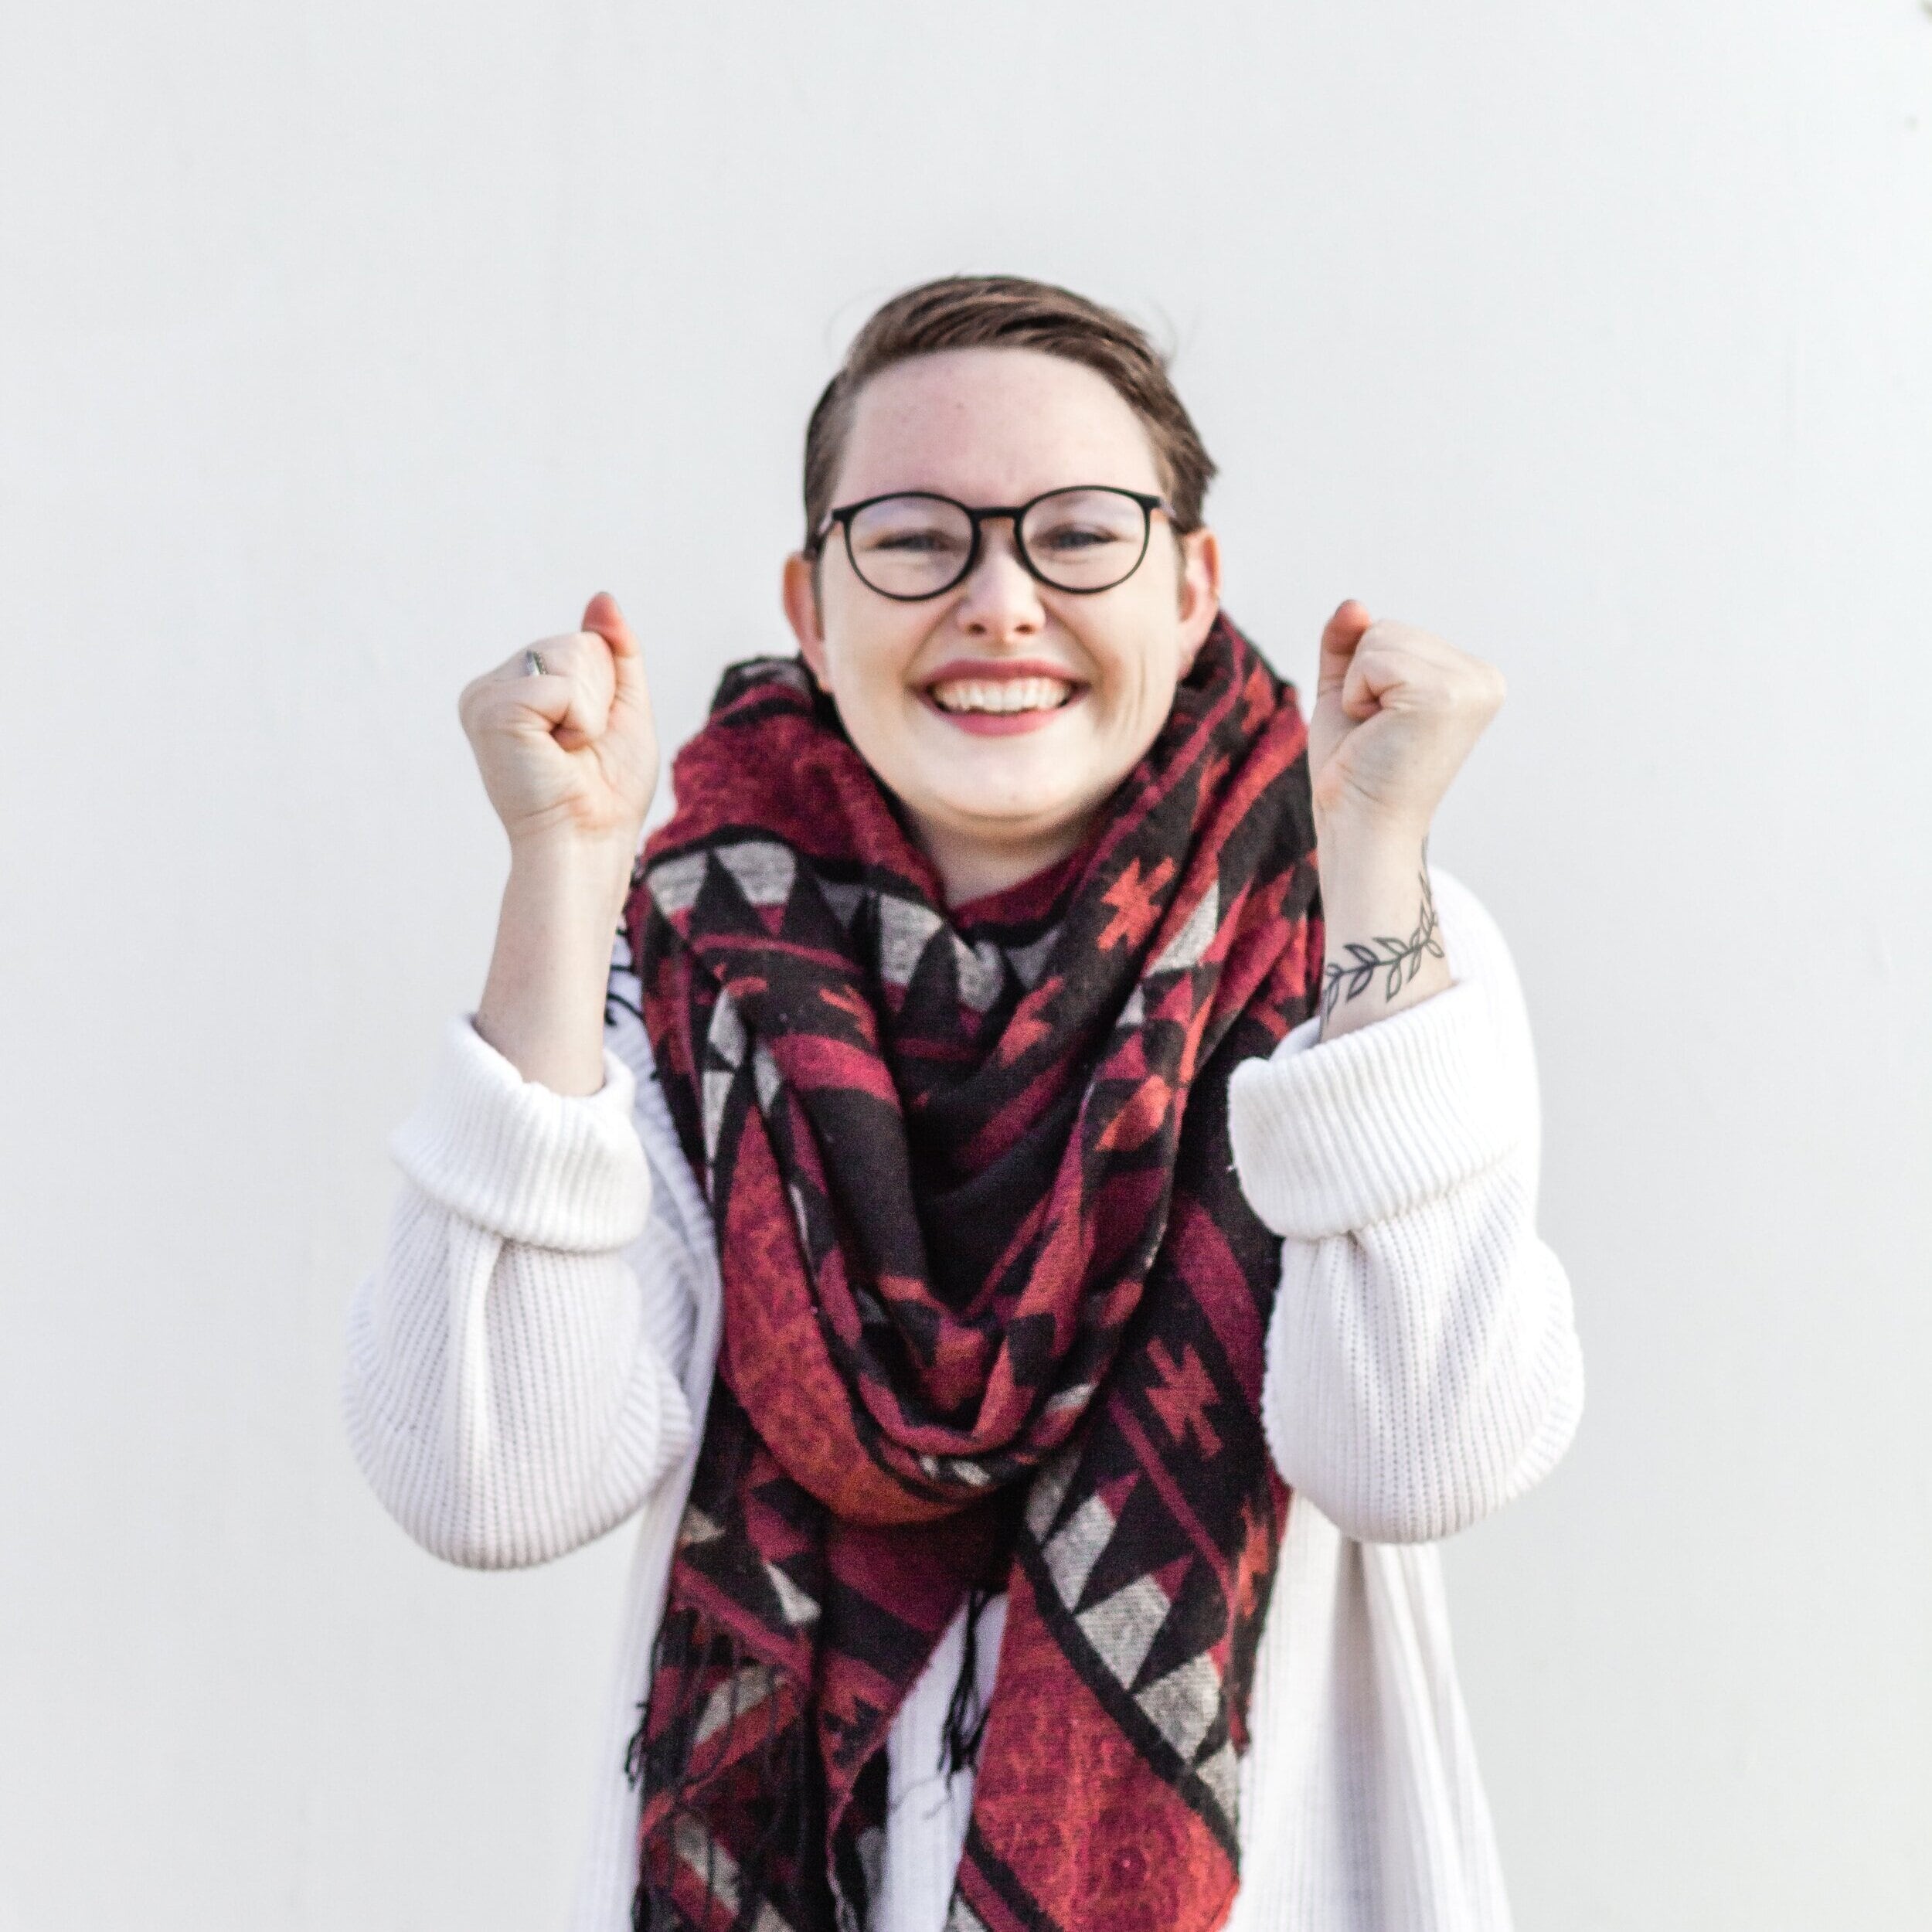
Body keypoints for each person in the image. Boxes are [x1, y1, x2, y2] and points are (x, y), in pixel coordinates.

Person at [343, 274, 1583, 1932]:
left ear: (1193, 583)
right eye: (915, 536)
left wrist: (1364, 849)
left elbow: (1416, 1449)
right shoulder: (684, 957)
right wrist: (566, 871)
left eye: (1078, 532)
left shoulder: (1366, 942)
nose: (999, 600)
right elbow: (486, 1477)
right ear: (810, 599)